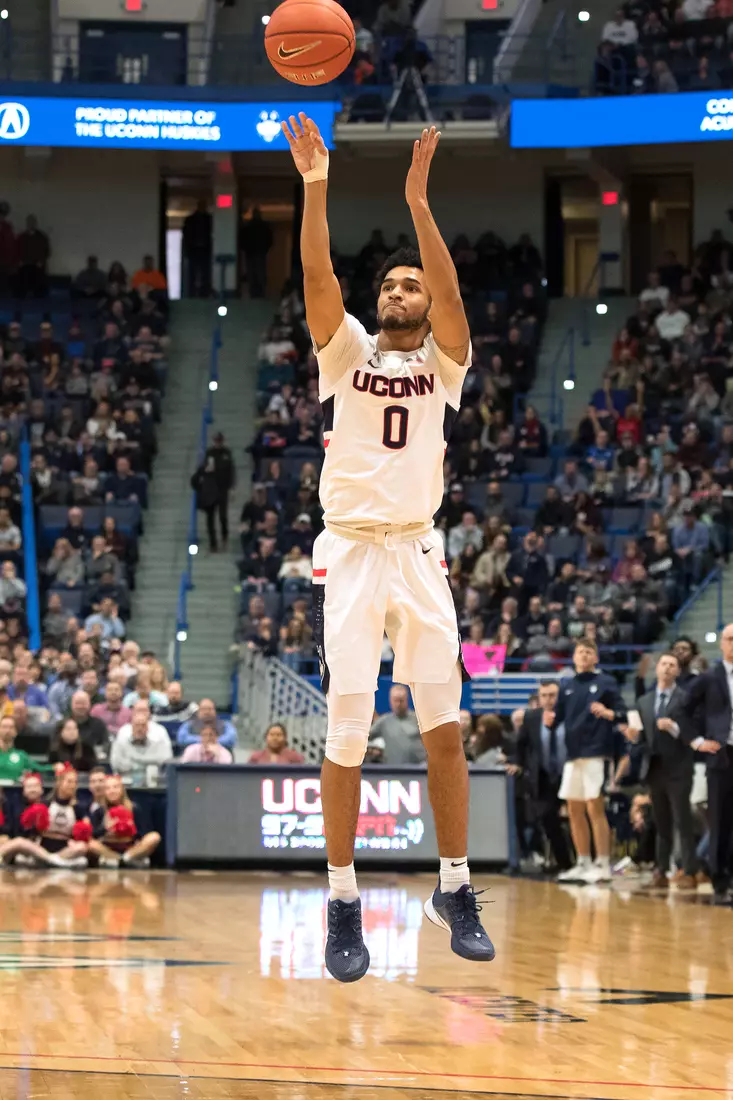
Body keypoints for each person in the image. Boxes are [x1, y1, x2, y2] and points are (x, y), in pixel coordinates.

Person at [282, 113, 493, 981]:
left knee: (444, 727)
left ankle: (454, 885)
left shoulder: (446, 363)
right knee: (348, 732)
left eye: (412, 283)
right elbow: (315, 271)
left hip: (418, 552)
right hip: (352, 554)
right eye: (394, 284)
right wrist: (316, 183)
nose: (403, 290)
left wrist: (416, 199)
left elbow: (448, 292)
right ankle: (341, 900)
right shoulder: (345, 354)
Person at [550, 639, 626, 884]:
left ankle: (603, 863)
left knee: (595, 808)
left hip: (597, 752)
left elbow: (622, 712)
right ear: (573, 658)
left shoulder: (606, 682)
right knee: (574, 810)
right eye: (580, 652)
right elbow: (558, 717)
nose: (583, 655)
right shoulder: (567, 685)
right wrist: (549, 719)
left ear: (596, 658)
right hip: (573, 755)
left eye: (588, 652)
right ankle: (582, 862)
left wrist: (608, 713)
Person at [624, 653, 699, 890]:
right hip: (654, 768)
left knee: (682, 820)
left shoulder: (686, 699)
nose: (667, 668)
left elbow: (694, 733)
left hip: (679, 768)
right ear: (657, 669)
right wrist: (633, 738)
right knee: (660, 822)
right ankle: (661, 870)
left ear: (678, 671)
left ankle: (688, 870)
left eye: (672, 665)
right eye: (664, 664)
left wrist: (675, 728)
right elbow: (640, 740)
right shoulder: (643, 701)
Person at [680, 625, 733, 905]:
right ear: (722, 644)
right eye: (730, 639)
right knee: (720, 823)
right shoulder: (710, 677)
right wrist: (697, 741)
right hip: (722, 756)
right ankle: (720, 882)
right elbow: (681, 710)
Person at [509, 681, 572, 872]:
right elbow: (522, 743)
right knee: (547, 818)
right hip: (543, 776)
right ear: (539, 697)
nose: (548, 699)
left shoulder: (568, 714)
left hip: (568, 773)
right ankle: (565, 864)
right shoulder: (531, 717)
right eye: (544, 695)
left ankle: (588, 860)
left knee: (578, 818)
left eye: (552, 695)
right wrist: (517, 763)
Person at [87, 773, 161, 869]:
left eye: (115, 787)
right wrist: (105, 829)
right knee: (90, 844)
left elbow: (144, 831)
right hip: (108, 847)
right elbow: (93, 835)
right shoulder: (99, 811)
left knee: (154, 837)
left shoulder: (134, 808)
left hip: (130, 847)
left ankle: (127, 857)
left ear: (122, 790)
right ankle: (117, 859)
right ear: (104, 792)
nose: (112, 791)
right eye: (108, 788)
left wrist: (132, 831)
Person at [368, 685, 426, 765]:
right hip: (393, 770)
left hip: (419, 769)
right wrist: (373, 748)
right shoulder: (384, 721)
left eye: (401, 700)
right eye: (395, 700)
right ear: (390, 700)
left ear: (407, 700)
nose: (398, 704)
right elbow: (365, 738)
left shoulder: (418, 719)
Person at [111, 700, 173, 774]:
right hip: (127, 775)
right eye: (138, 710)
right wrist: (149, 763)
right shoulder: (123, 731)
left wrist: (134, 759)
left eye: (144, 710)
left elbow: (166, 758)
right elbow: (116, 762)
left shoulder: (160, 730)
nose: (140, 729)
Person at [203, 432, 235, 550]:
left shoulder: (227, 453)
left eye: (219, 441)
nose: (217, 443)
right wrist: (207, 469)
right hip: (211, 488)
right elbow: (204, 469)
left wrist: (232, 488)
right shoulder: (209, 453)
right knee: (210, 517)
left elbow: (231, 471)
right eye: (216, 441)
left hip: (223, 488)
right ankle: (213, 543)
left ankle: (224, 537)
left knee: (223, 516)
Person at [240, 207, 273, 298]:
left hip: (253, 252)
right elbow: (269, 239)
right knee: (258, 272)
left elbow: (243, 239)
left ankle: (255, 292)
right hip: (258, 252)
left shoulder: (249, 226)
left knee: (254, 273)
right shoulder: (263, 226)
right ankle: (260, 293)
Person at [182, 199, 212, 298]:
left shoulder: (209, 219)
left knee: (205, 273)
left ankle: (204, 293)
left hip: (205, 250)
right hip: (194, 250)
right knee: (193, 273)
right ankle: (192, 294)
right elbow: (186, 236)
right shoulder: (191, 220)